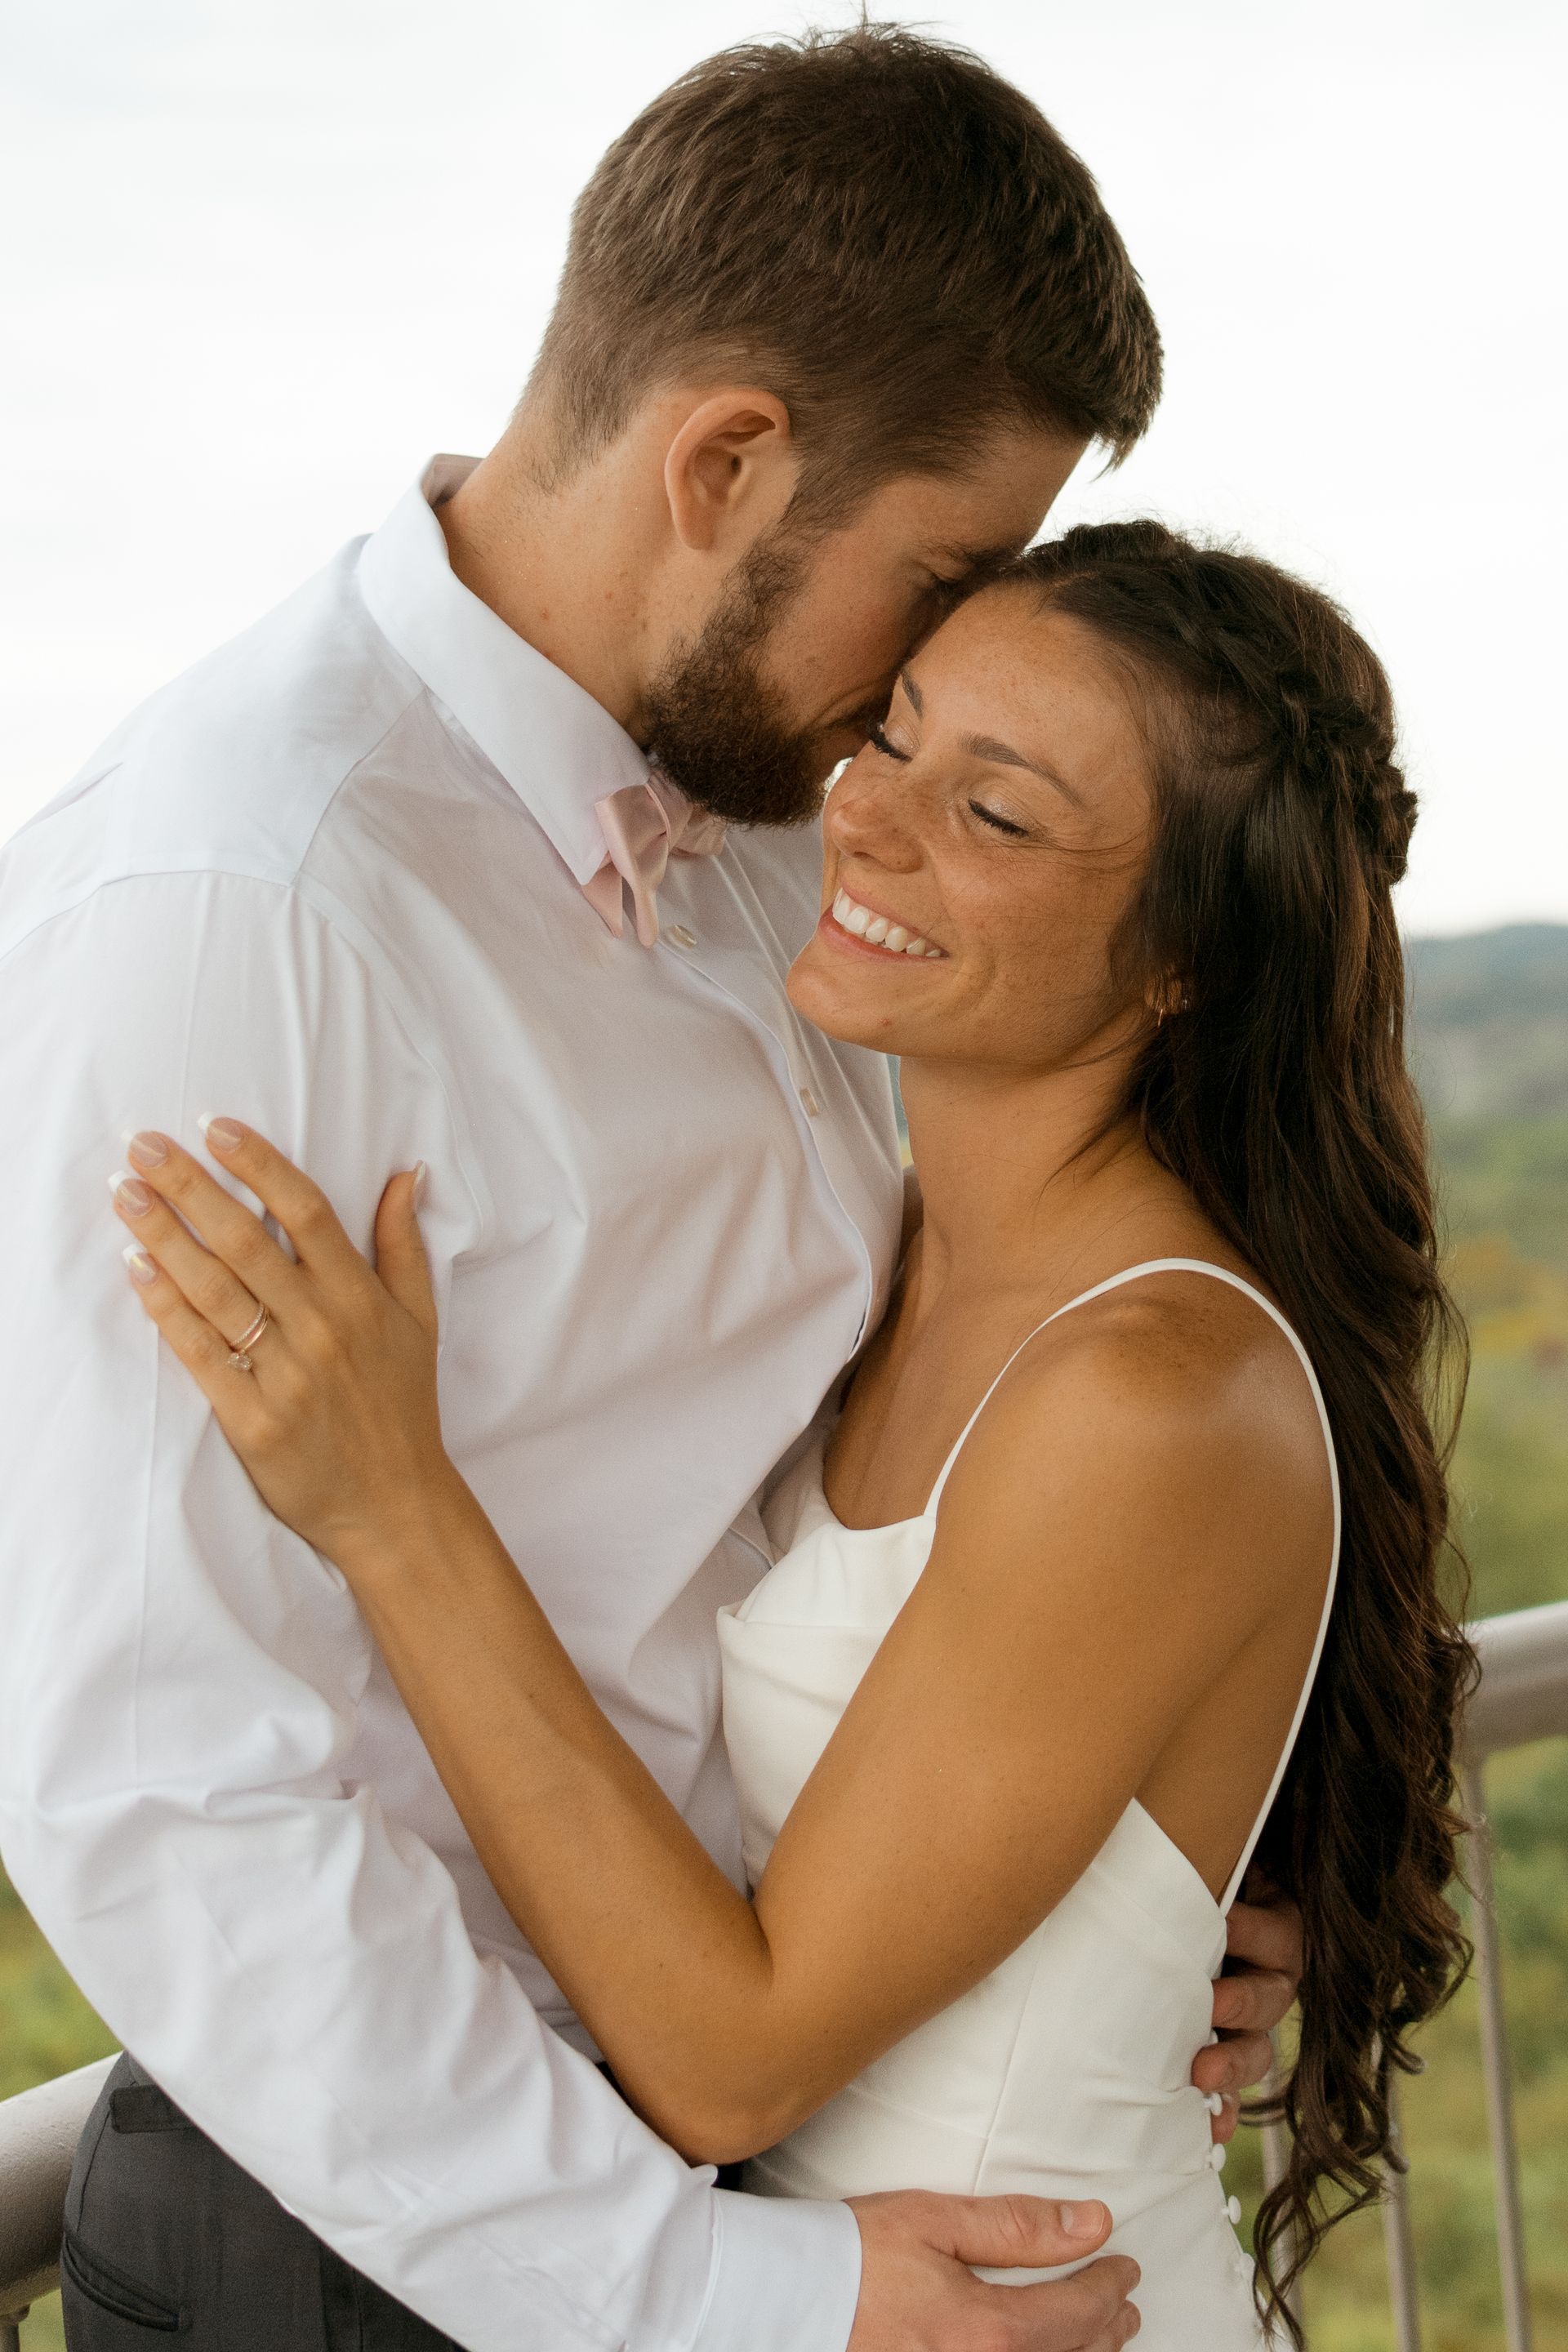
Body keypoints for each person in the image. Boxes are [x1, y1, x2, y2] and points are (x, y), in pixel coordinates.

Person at [0, 28, 1294, 2352]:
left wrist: (1087, 1886)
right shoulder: (240, 895)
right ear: (727, 463)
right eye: (941, 572)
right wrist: (702, 2290)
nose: (942, 668)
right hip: (424, 2232)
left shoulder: (788, 817)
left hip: (778, 2112)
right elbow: (159, 1776)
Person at [105, 523, 1476, 2346]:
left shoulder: (1147, 1393)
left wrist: (392, 1503)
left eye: (997, 816)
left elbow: (732, 2064)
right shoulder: (883, 1247)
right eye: (894, 735)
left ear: (1186, 965)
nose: (871, 821)